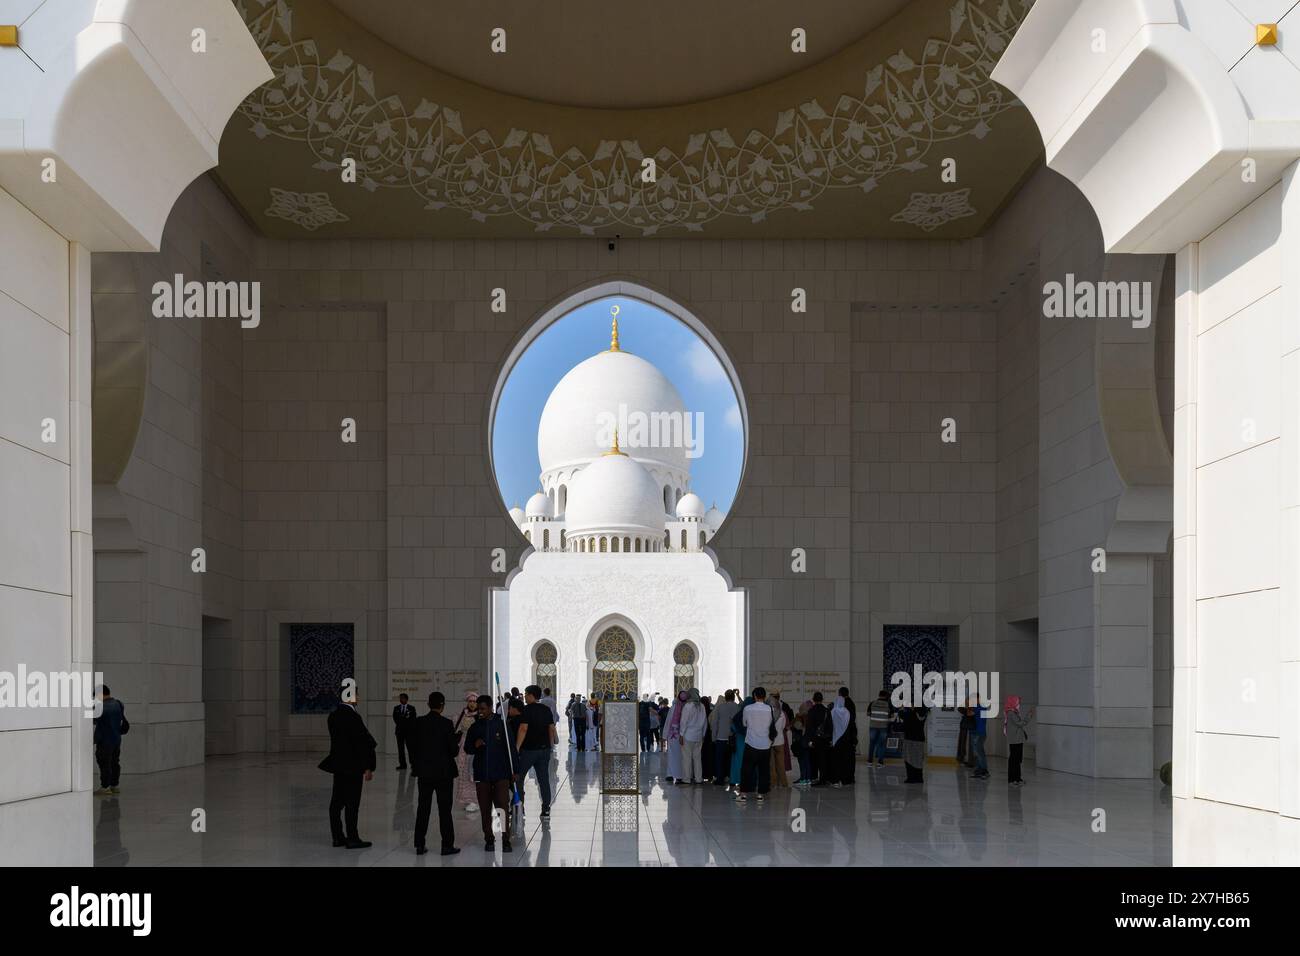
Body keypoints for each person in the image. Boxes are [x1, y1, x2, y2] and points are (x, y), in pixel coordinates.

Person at [321, 690, 377, 848]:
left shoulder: (333, 716)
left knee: (337, 803)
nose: (358, 698)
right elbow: (362, 744)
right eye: (356, 695)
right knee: (352, 803)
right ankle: (352, 837)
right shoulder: (353, 717)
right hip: (353, 767)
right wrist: (368, 766)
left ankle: (338, 837)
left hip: (339, 766)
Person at [409, 691, 461, 856]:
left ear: (428, 704)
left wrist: (416, 765)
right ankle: (447, 845)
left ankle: (419, 844)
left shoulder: (419, 722)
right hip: (443, 773)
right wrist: (456, 739)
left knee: (423, 808)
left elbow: (412, 747)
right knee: (444, 810)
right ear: (442, 706)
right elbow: (453, 751)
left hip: (424, 773)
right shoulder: (446, 724)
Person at [464, 694, 516, 852]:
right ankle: (489, 839)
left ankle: (506, 840)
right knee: (485, 809)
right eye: (479, 709)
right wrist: (476, 744)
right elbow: (467, 748)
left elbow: (511, 749)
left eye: (483, 709)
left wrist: (515, 770)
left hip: (501, 773)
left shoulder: (502, 725)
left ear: (491, 708)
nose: (480, 712)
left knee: (502, 807)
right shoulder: (475, 727)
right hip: (483, 774)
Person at [515, 684, 558, 817]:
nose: (525, 697)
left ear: (531, 695)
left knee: (519, 778)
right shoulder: (546, 710)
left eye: (526, 694)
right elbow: (551, 728)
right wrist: (550, 746)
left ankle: (520, 807)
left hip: (529, 750)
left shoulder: (527, 710)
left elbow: (523, 729)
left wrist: (517, 747)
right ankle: (546, 808)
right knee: (543, 779)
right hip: (544, 750)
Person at [736, 687, 774, 803]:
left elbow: (744, 723)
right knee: (763, 770)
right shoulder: (769, 708)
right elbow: (770, 723)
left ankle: (743, 795)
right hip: (765, 744)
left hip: (751, 743)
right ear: (764, 696)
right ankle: (760, 795)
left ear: (755, 696)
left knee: (747, 770)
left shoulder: (748, 708)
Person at [92, 685, 126, 795]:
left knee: (104, 763)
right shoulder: (118, 703)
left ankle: (105, 787)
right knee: (115, 762)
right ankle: (114, 785)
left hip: (104, 740)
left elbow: (93, 720)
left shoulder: (100, 707)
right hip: (116, 739)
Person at [453, 691, 479, 811]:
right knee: (463, 772)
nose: (472, 704)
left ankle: (475, 800)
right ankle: (466, 798)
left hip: (474, 747)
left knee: (472, 773)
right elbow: (456, 728)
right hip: (463, 746)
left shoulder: (480, 715)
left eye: (474, 701)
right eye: (470, 701)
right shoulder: (462, 714)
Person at [709, 690, 740, 786]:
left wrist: (713, 737)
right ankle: (732, 779)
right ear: (733, 697)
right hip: (733, 737)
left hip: (721, 737)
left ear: (725, 697)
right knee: (731, 760)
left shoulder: (720, 707)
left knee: (720, 760)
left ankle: (720, 779)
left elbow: (715, 723)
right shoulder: (737, 707)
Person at [678, 688, 707, 784]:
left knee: (686, 758)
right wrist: (703, 734)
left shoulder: (688, 706)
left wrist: (681, 735)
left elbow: (684, 722)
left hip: (688, 736)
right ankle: (699, 778)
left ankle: (686, 779)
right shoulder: (701, 706)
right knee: (697, 758)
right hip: (698, 736)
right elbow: (705, 722)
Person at [1004, 695, 1033, 786]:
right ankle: (1012, 780)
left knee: (1017, 759)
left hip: (1017, 740)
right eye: (1017, 702)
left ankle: (1017, 778)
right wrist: (1029, 716)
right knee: (1014, 760)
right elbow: (1021, 724)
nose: (1019, 704)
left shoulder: (1014, 712)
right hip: (1015, 740)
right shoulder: (1011, 713)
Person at [827, 692, 853, 787]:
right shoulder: (847, 712)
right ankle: (844, 780)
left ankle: (835, 780)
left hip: (835, 739)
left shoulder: (833, 711)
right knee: (844, 760)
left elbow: (830, 726)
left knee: (835, 761)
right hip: (845, 739)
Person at [899, 703, 928, 784]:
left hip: (909, 739)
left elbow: (901, 715)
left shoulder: (910, 714)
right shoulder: (923, 714)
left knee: (908, 759)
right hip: (920, 739)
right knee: (918, 759)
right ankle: (919, 778)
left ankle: (911, 778)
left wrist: (901, 708)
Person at [768, 690, 791, 788]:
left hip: (769, 741)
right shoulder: (783, 713)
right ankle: (784, 783)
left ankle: (773, 783)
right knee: (781, 764)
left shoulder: (767, 713)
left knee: (772, 764)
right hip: (780, 741)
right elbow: (784, 727)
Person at [662, 690, 687, 781]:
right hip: (683, 736)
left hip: (673, 735)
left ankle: (670, 774)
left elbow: (668, 722)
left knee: (672, 755)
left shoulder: (673, 708)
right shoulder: (687, 707)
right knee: (681, 756)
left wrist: (664, 736)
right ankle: (680, 775)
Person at [805, 692, 829, 785]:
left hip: (814, 740)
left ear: (813, 700)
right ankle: (823, 779)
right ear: (822, 699)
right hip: (824, 740)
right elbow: (830, 726)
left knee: (813, 759)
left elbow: (809, 727)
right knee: (823, 760)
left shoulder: (811, 711)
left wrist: (809, 740)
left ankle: (814, 778)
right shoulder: (827, 711)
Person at [866, 689, 892, 768]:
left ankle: (870, 762)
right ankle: (880, 763)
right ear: (886, 696)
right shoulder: (888, 704)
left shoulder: (872, 703)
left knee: (872, 744)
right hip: (883, 727)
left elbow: (868, 713)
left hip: (873, 726)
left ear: (879, 695)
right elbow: (891, 715)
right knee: (881, 745)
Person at [392, 693, 417, 770]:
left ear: (406, 699)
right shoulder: (396, 708)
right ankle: (403, 765)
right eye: (400, 698)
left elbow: (413, 719)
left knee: (410, 748)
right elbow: (395, 718)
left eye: (403, 698)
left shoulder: (411, 708)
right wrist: (401, 724)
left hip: (409, 732)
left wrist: (407, 726)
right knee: (400, 749)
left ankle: (413, 764)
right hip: (399, 732)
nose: (401, 699)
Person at [968, 694, 990, 779]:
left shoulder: (981, 706)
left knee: (979, 753)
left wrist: (969, 707)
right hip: (974, 732)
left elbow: (969, 713)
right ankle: (979, 770)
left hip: (980, 733)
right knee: (977, 753)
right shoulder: (976, 706)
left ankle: (984, 770)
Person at [791, 700, 813, 786]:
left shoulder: (801, 717)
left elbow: (798, 727)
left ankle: (803, 779)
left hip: (801, 742)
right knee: (807, 760)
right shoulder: (810, 717)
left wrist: (795, 719)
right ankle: (807, 778)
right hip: (807, 742)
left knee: (802, 761)